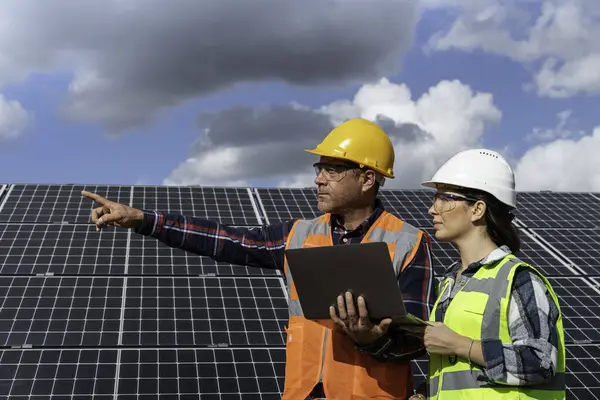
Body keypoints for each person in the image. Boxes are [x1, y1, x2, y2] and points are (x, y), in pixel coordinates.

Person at [82, 118, 436, 400]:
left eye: (331, 170)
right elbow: (225, 239)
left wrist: (370, 339)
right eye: (319, 168)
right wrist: (143, 220)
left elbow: (415, 342)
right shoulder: (299, 235)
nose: (318, 179)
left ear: (367, 179)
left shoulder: (408, 242)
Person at [409, 149, 565, 400]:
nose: (432, 210)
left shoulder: (518, 279)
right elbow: (461, 377)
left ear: (477, 209)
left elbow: (540, 361)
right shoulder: (449, 284)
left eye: (444, 198)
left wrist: (461, 345)